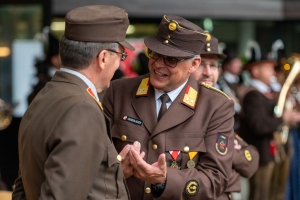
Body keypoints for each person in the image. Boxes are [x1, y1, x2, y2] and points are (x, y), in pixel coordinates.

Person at [103, 15, 235, 200]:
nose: (158, 64)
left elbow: (216, 179)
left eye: (171, 59)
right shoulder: (119, 92)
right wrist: (116, 172)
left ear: (194, 64)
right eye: (154, 53)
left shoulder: (216, 106)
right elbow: (94, 158)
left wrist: (165, 180)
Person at [12, 5, 135, 200]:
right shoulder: (82, 108)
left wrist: (112, 173)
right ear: (103, 58)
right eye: (121, 56)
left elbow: (24, 188)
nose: (119, 63)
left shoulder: (46, 95)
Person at [192, 35, 259, 200]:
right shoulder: (177, 105)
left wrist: (228, 151)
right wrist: (230, 151)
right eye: (201, 64)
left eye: (213, 65)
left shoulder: (220, 105)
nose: (208, 72)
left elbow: (251, 162)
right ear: (189, 66)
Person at [239, 43, 300, 200]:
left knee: (275, 193)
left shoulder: (267, 92)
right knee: (261, 195)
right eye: (268, 68)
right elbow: (259, 126)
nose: (273, 71)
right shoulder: (253, 95)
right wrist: (283, 118)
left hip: (271, 154)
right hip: (261, 156)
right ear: (255, 70)